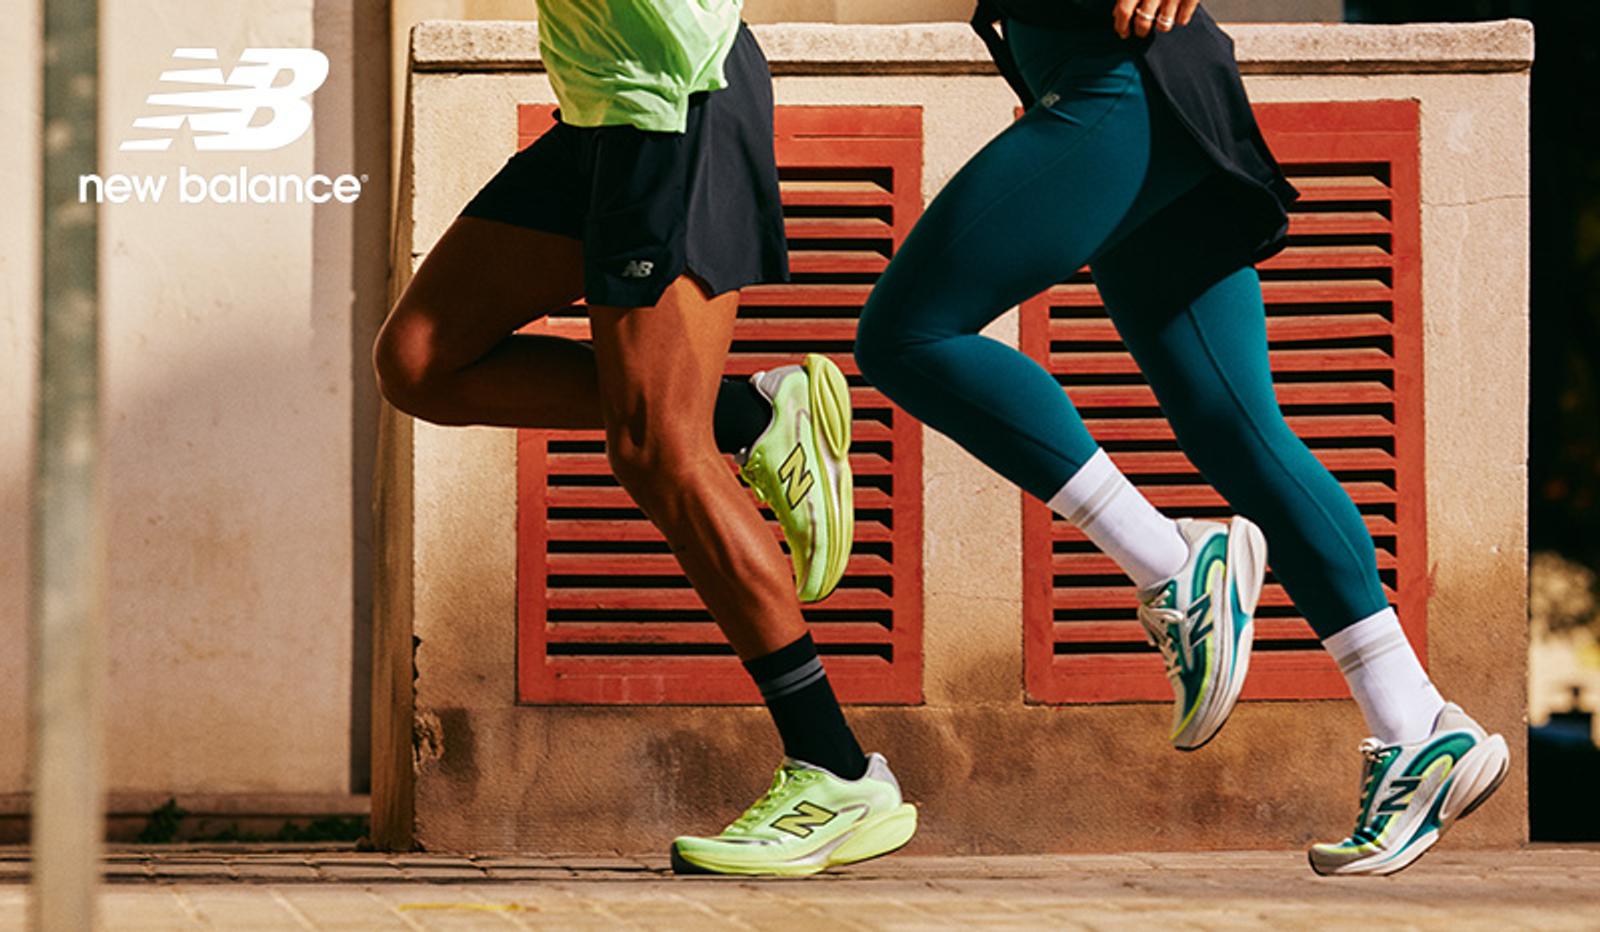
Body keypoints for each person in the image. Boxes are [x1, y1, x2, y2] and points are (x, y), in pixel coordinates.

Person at [854, 0, 1508, 875]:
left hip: (1119, 80)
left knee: (909, 333)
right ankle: (1420, 726)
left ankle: (1171, 561)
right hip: (1138, 83)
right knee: (1237, 430)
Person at [372, 0, 915, 877]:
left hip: (677, 100)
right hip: (604, 110)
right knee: (422, 361)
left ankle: (838, 772)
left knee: (660, 448)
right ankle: (756, 414)